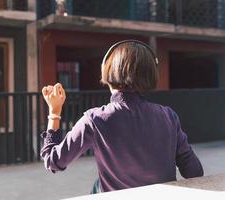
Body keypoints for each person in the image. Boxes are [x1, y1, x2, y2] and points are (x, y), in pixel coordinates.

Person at [40, 40, 203, 193]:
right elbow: (194, 171)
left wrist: (54, 112)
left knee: (98, 186)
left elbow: (53, 161)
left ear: (107, 70)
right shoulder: (169, 116)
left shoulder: (95, 119)